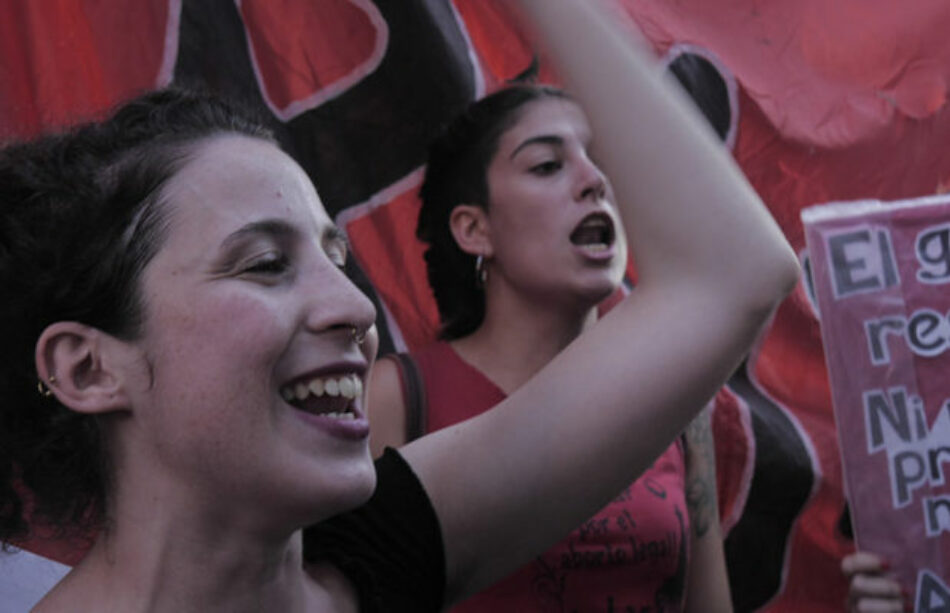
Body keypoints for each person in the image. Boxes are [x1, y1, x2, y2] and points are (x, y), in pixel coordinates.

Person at [0, 0, 799, 610]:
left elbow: (731, 274)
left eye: (337, 257)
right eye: (267, 263)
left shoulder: (385, 552)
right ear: (87, 366)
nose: (354, 308)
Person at [368, 79, 731, 611]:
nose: (595, 182)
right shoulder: (394, 400)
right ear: (474, 229)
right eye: (546, 166)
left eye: (602, 161)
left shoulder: (675, 396)